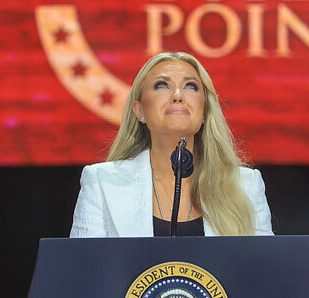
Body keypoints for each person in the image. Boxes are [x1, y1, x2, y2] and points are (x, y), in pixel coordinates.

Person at [70, 52, 273, 237]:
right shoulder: (102, 183)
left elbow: (264, 264)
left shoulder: (245, 185)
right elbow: (83, 264)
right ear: (139, 110)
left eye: (190, 86)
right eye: (162, 85)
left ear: (204, 111)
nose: (177, 95)